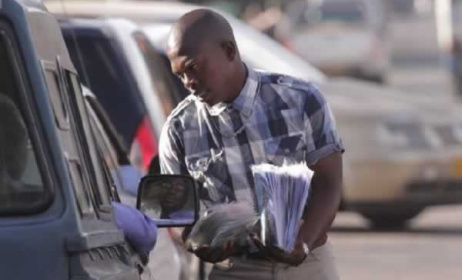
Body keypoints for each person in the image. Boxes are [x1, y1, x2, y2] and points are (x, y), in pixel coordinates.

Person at [159, 9, 343, 280]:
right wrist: (197, 241)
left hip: (308, 263)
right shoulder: (179, 129)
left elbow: (330, 182)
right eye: (180, 75)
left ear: (229, 51)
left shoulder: (301, 100)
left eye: (194, 67)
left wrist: (303, 243)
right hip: (235, 270)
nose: (189, 82)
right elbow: (178, 218)